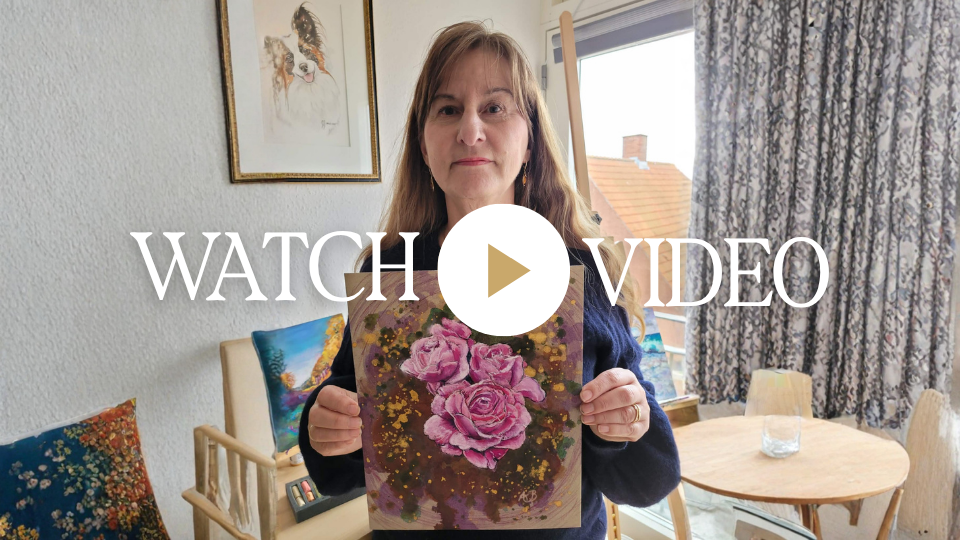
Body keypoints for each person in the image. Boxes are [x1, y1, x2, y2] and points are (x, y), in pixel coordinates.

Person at [298, 21, 680, 539]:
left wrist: (625, 423)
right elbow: (340, 465)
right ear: (424, 145)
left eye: (495, 107)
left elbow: (650, 479)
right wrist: (326, 427)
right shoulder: (387, 270)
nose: (470, 130)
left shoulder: (585, 268)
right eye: (448, 109)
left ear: (530, 142)